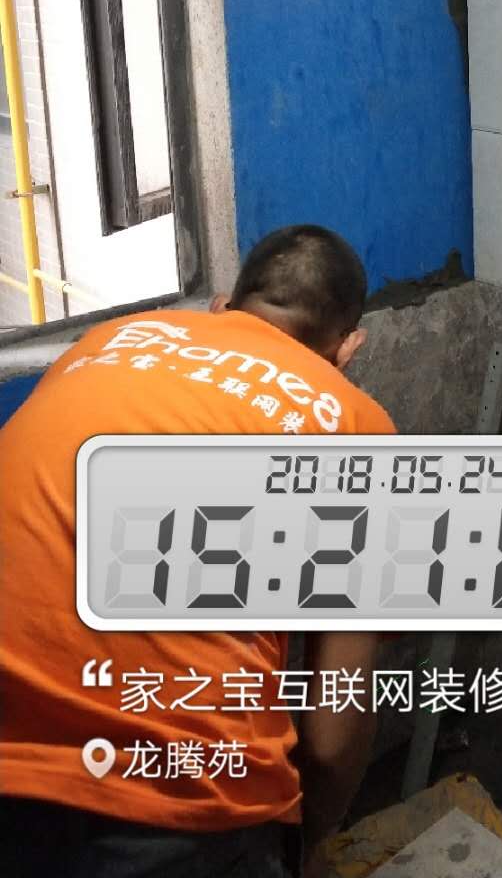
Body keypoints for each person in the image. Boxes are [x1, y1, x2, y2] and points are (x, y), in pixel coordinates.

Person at [0, 224, 395, 878]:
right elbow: (333, 732)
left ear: (220, 305)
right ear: (348, 349)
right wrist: (305, 846)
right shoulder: (356, 429)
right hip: (177, 806)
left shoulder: (107, 340)